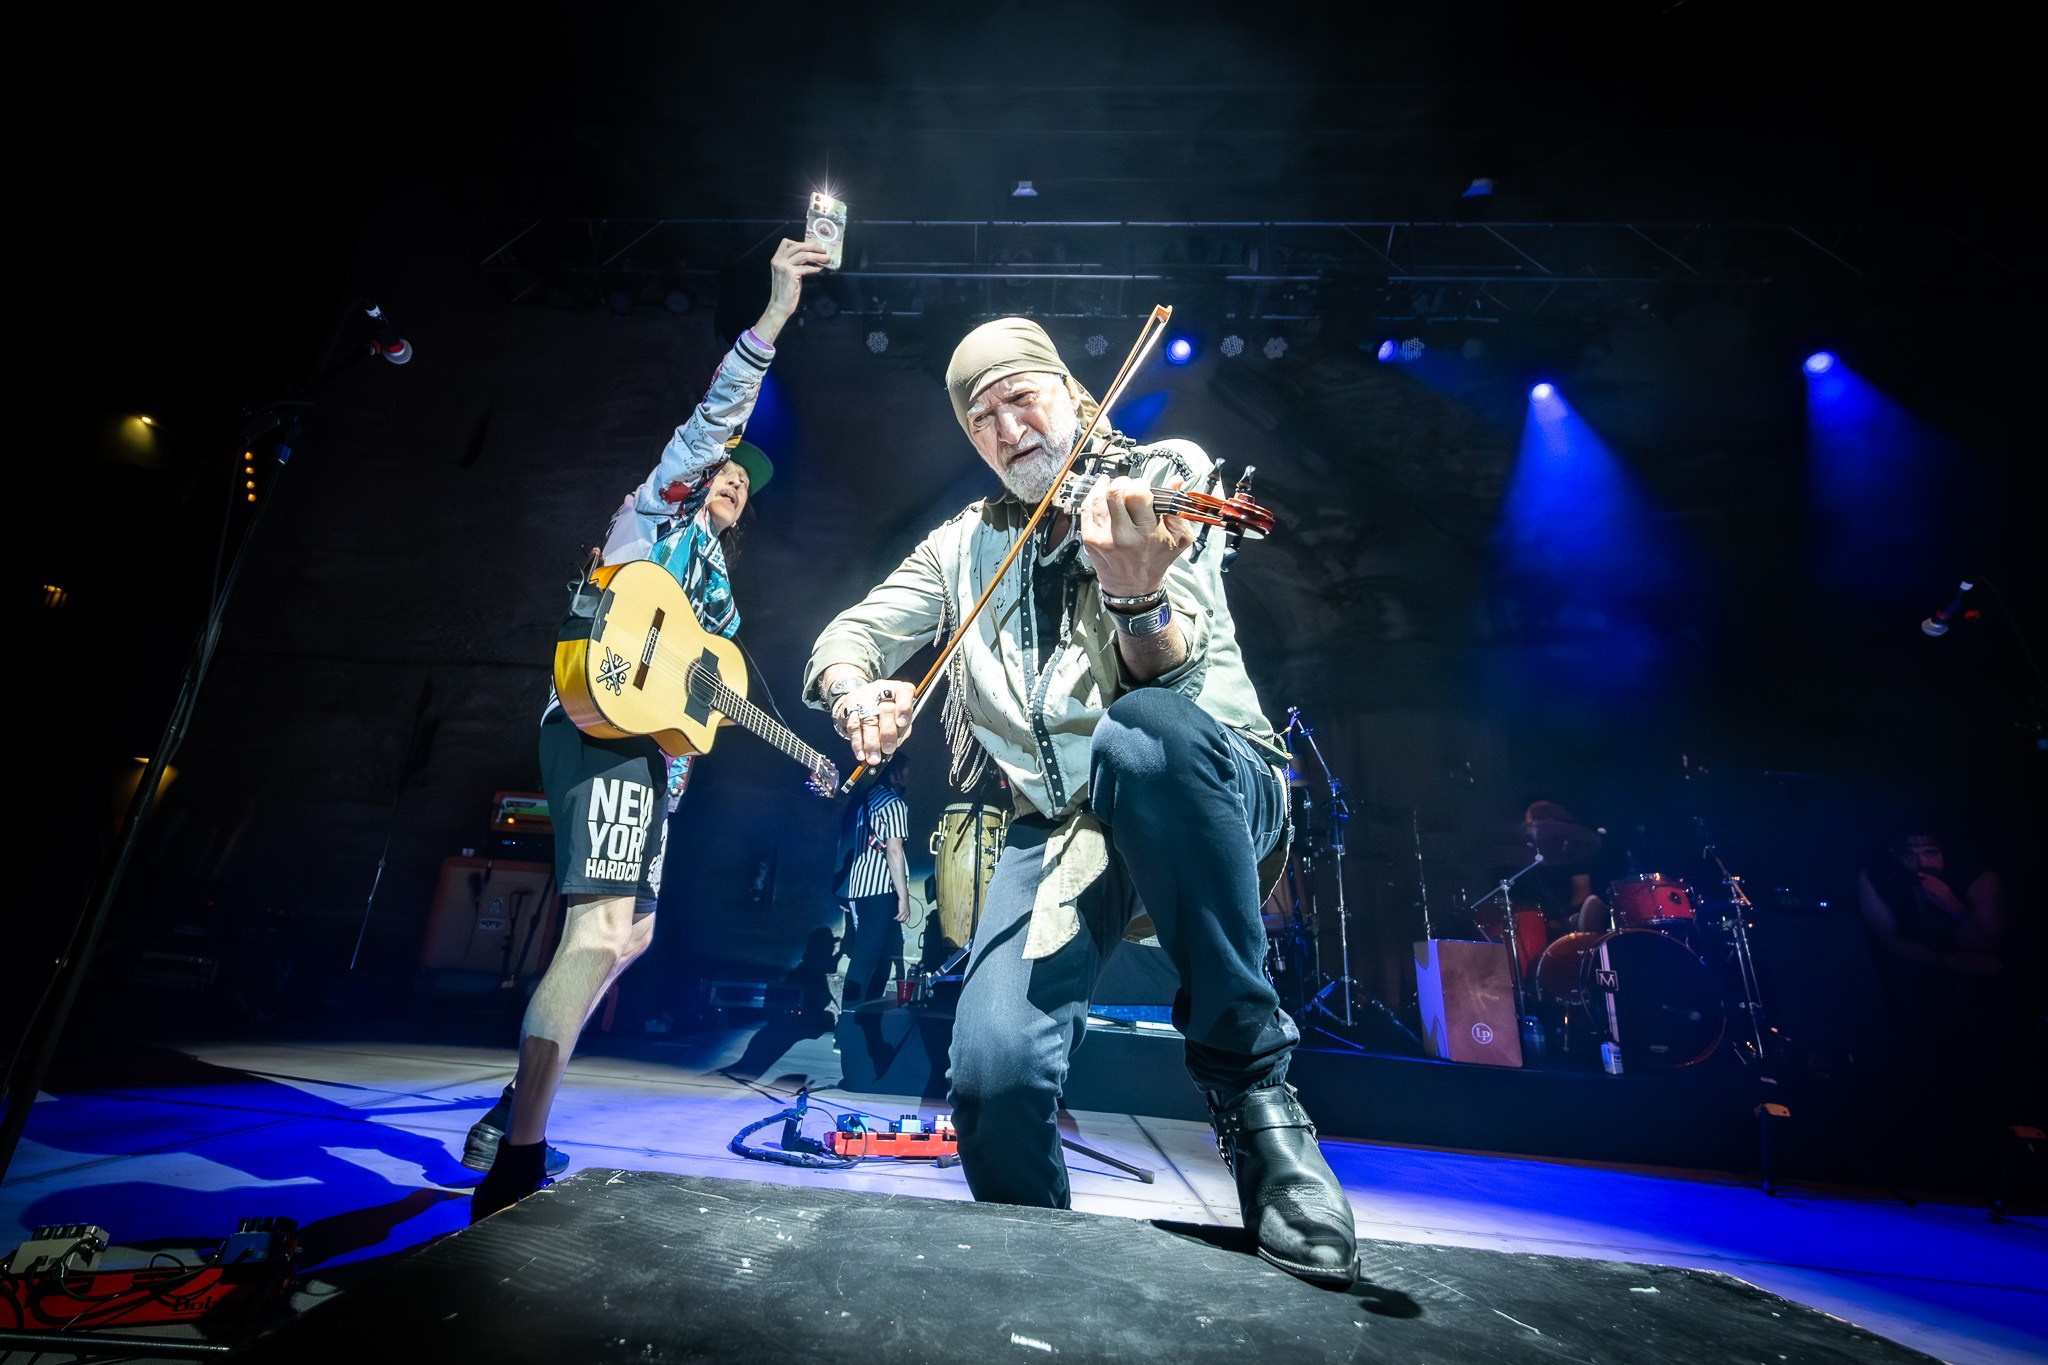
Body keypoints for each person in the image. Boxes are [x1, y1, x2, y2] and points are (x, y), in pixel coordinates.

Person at [802, 318, 1358, 1287]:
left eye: (1023, 398)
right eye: (982, 419)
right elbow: (843, 638)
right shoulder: (959, 550)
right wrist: (859, 692)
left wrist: (1136, 599)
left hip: (1207, 781)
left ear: (1075, 396)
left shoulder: (1159, 474)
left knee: (1139, 734)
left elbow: (1166, 694)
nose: (1007, 428)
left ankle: (1259, 1109)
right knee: (989, 1083)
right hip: (1060, 831)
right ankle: (1047, 1275)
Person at [465, 238, 830, 1222]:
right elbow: (715, 420)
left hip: (652, 763)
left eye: (745, 486)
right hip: (601, 728)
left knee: (630, 937)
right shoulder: (654, 517)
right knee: (593, 934)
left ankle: (517, 1098)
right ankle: (519, 1161)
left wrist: (794, 749)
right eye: (723, 474)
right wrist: (777, 312)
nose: (730, 484)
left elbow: (702, 708)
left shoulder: (720, 614)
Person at [837, 759, 913, 1010]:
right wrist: (903, 896)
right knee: (867, 959)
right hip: (880, 888)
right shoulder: (894, 805)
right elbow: (894, 851)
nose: (909, 775)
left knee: (878, 958)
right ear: (894, 773)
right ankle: (849, 1023)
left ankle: (863, 1020)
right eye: (906, 770)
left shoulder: (866, 800)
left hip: (859, 887)